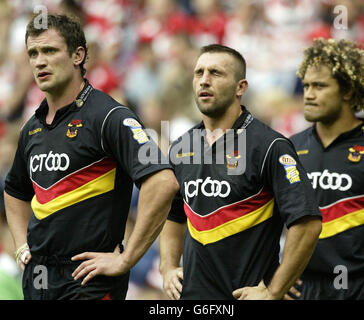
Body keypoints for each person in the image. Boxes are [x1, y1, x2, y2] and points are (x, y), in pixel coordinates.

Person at [3, 14, 178, 300]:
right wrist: (22, 245)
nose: (39, 61)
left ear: (78, 55)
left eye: (49, 50)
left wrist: (127, 258)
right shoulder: (31, 128)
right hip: (39, 276)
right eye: (33, 53)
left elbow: (163, 182)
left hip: (89, 279)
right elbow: (14, 191)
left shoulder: (110, 116)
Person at [158, 44, 322, 300]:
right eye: (198, 73)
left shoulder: (270, 146)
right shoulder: (181, 147)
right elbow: (172, 215)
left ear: (240, 87)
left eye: (215, 73)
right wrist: (167, 268)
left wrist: (273, 291)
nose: (204, 80)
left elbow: (308, 223)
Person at [288, 38, 364, 300]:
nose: (308, 94)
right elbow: (273, 222)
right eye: (306, 85)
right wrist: (275, 275)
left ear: (348, 91)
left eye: (319, 86)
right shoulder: (290, 149)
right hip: (305, 288)